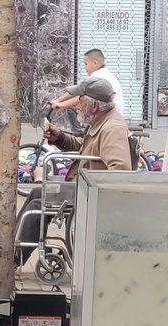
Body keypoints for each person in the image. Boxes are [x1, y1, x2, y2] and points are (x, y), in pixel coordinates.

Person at [16, 77, 129, 264]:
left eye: (80, 101)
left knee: (38, 204)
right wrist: (59, 137)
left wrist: (94, 192)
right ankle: (16, 245)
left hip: (88, 193)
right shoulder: (100, 121)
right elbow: (82, 146)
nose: (77, 105)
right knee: (37, 192)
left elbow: (120, 171)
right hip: (81, 185)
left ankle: (17, 256)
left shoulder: (112, 128)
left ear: (94, 106)